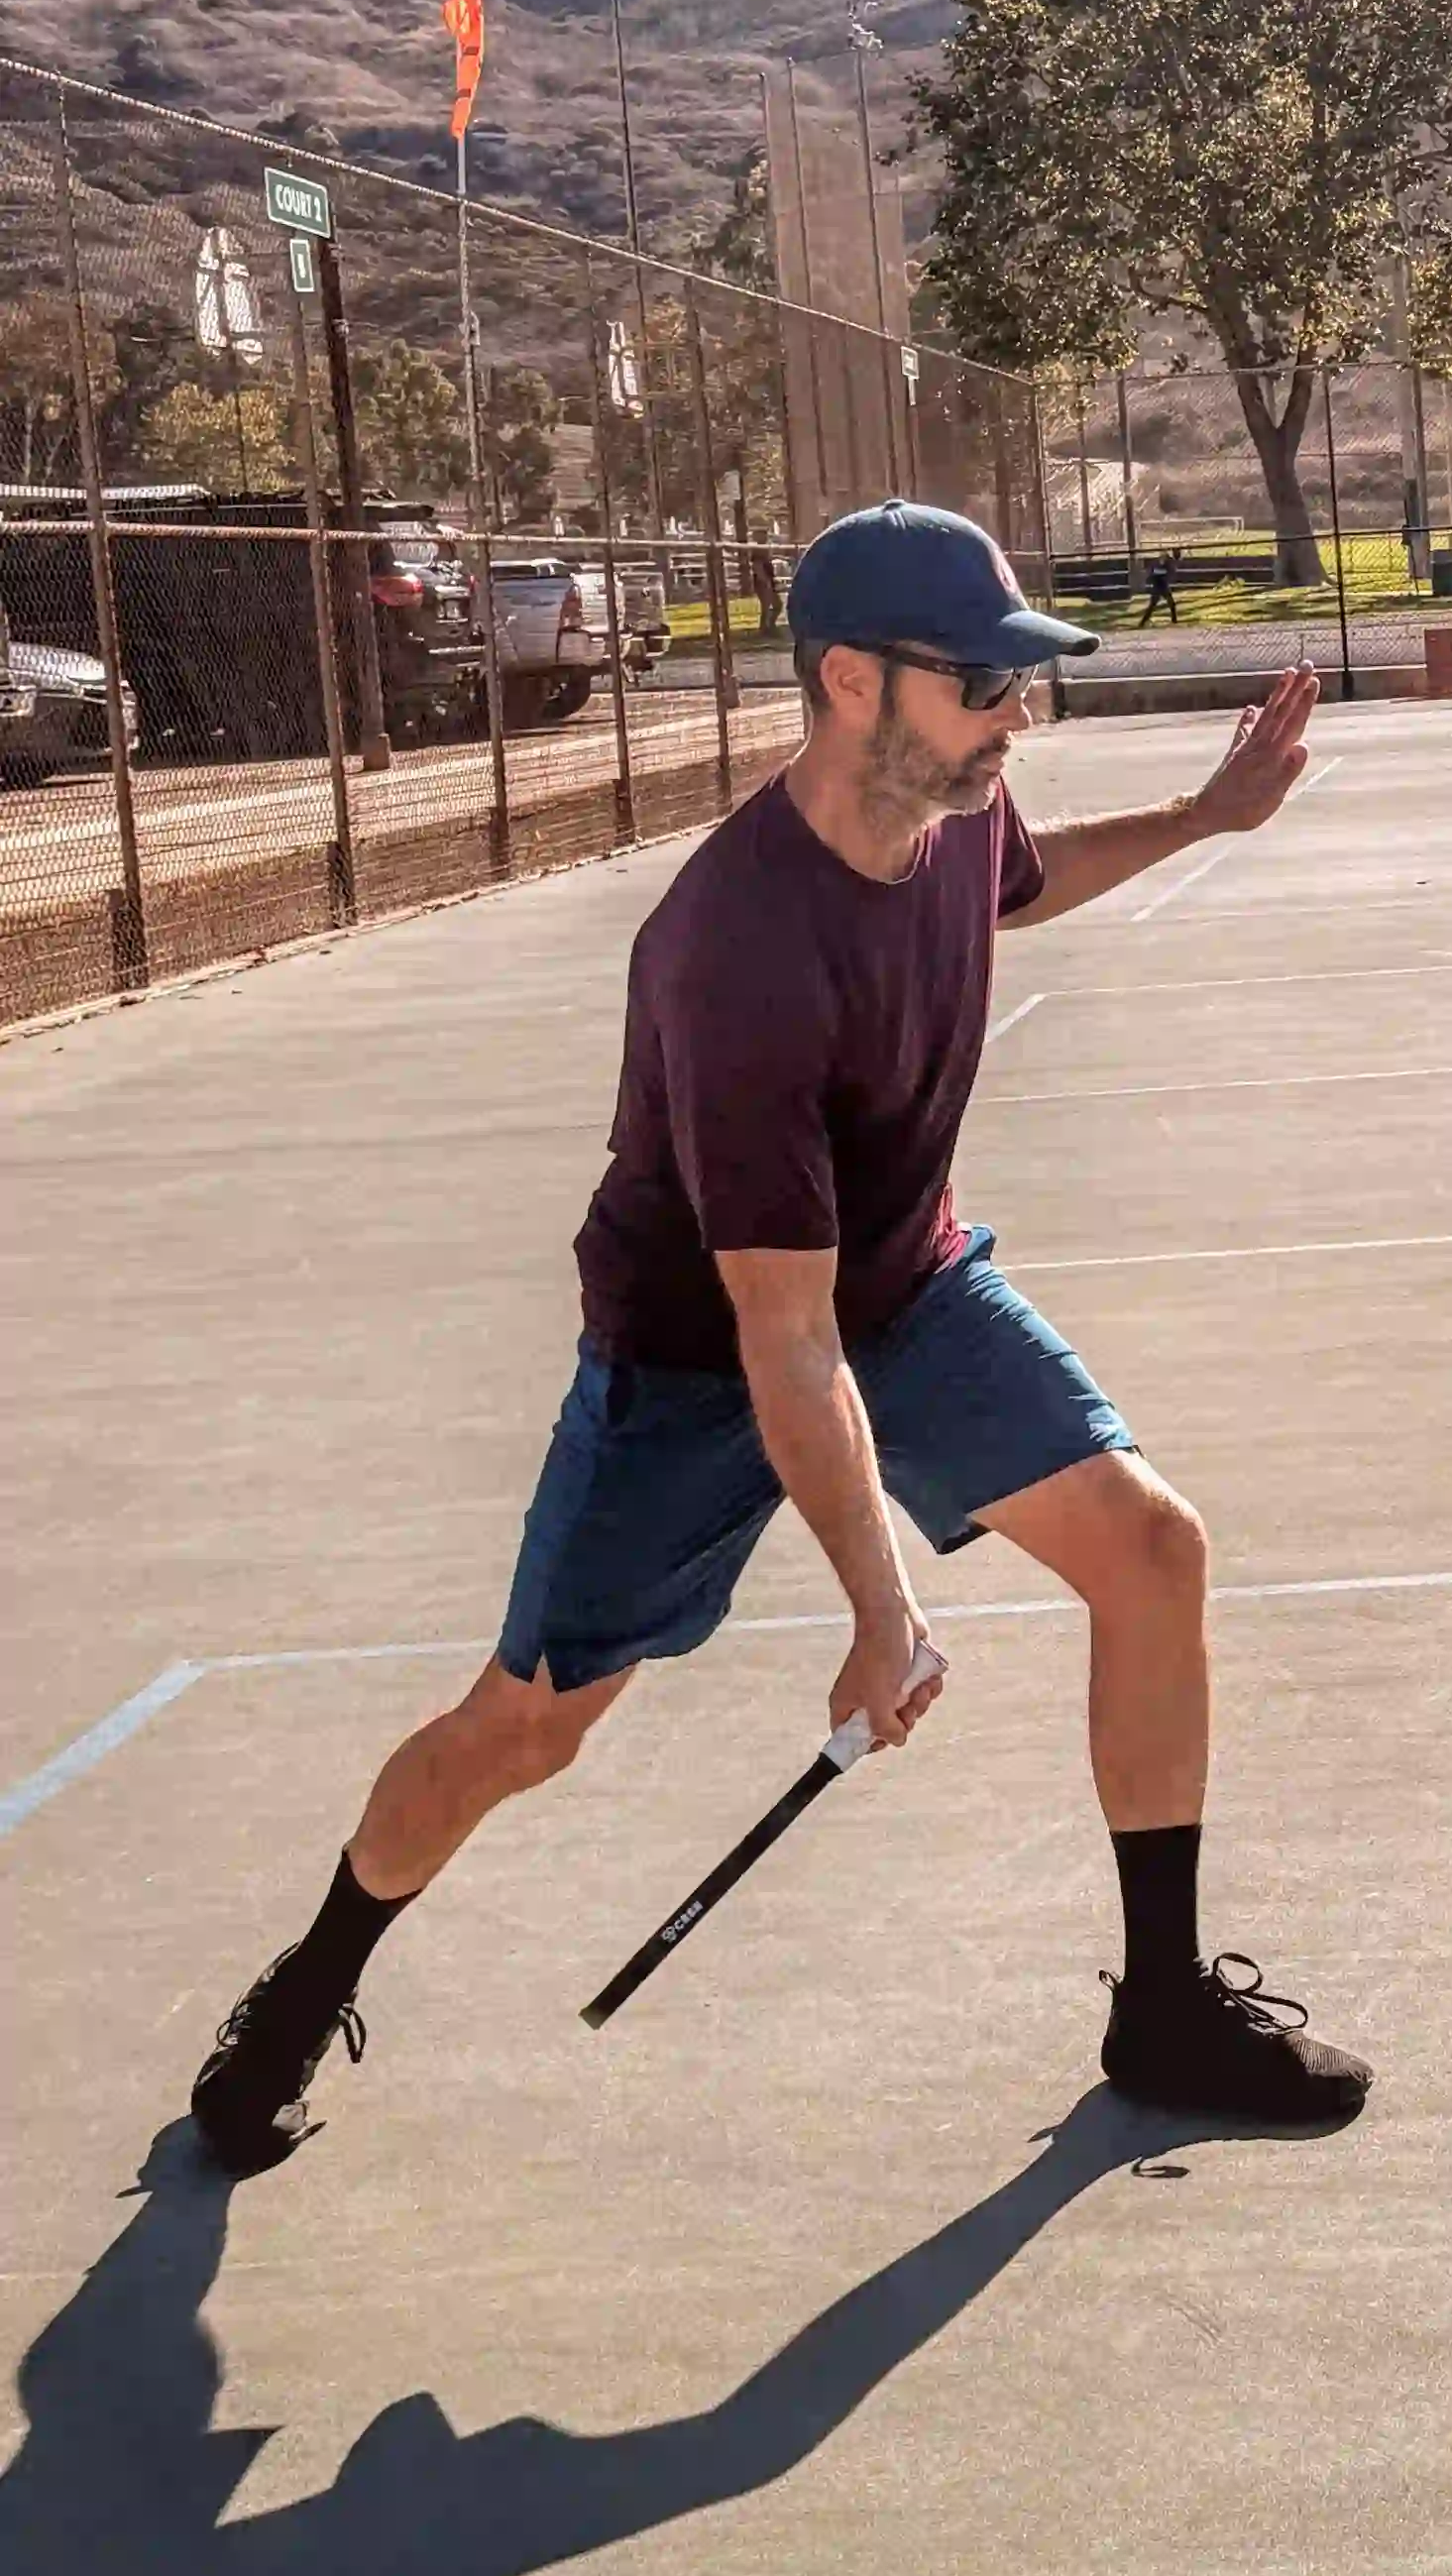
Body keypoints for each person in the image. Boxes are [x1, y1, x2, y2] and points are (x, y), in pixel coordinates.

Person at [186, 503, 1368, 2182]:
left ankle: (1161, 2006)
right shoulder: (732, 953)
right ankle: (304, 1990)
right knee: (524, 1728)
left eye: (1015, 683)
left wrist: (1205, 813)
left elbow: (1020, 885)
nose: (1010, 717)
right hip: (695, 1364)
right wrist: (882, 1613)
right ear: (846, 681)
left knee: (1150, 1553)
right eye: (979, 684)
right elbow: (781, 1341)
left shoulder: (950, 799)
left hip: (901, 1286)